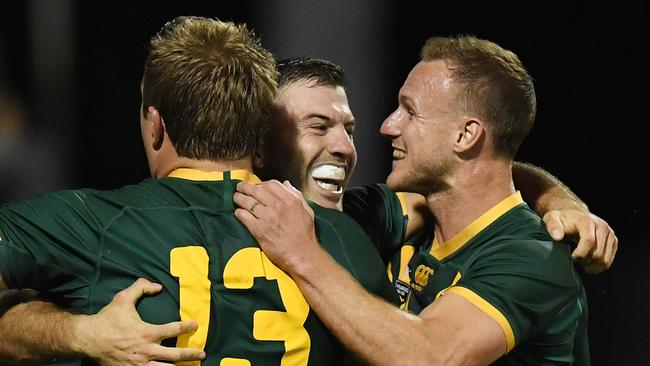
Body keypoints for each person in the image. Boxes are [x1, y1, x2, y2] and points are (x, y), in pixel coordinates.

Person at [0, 56, 615, 365]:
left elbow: (481, 180)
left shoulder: (358, 223)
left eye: (347, 126)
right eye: (318, 125)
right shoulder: (349, 236)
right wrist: (77, 332)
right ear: (258, 141)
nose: (352, 145)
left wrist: (557, 196)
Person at [0, 16, 397, 365]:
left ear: (155, 123)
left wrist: (74, 334)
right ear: (257, 130)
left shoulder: (93, 225)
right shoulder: (343, 238)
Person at [234, 37, 601, 364]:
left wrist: (302, 254)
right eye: (318, 126)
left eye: (409, 111)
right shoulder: (391, 220)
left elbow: (429, 357)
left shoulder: (534, 256)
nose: (388, 126)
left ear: (466, 135)